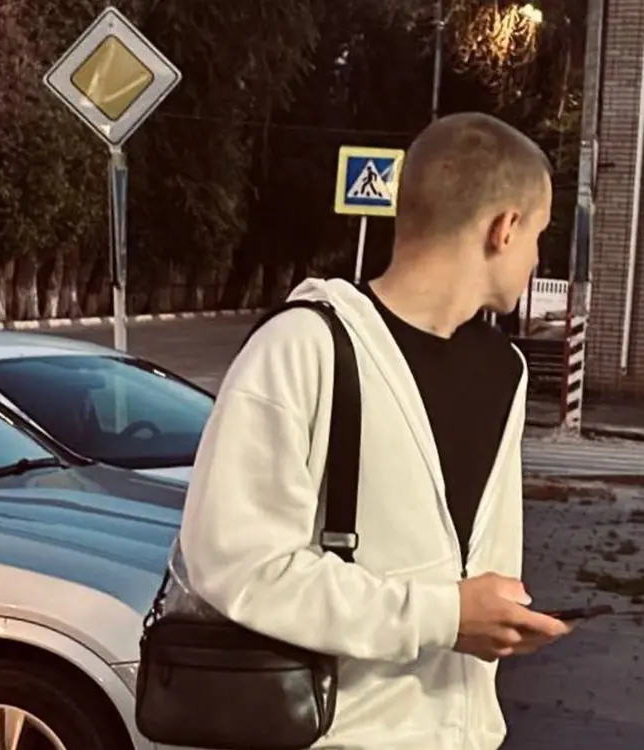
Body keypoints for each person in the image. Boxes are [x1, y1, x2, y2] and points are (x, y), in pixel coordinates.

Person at [179, 112, 570, 750]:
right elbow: (239, 566)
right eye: (539, 234)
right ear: (505, 228)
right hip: (327, 735)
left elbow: (481, 570)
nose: (537, 258)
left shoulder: (506, 370)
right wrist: (445, 615)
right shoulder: (304, 346)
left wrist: (495, 619)